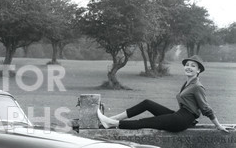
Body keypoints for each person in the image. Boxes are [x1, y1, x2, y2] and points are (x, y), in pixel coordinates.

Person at [97, 55, 228, 133]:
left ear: (199, 70)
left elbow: (206, 108)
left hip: (181, 120)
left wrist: (218, 125)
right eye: (187, 65)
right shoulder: (188, 83)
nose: (189, 67)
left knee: (146, 122)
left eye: (193, 66)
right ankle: (113, 118)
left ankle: (111, 124)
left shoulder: (197, 87)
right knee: (147, 103)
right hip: (180, 116)